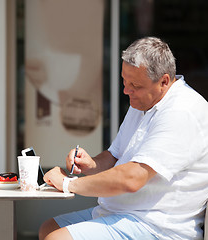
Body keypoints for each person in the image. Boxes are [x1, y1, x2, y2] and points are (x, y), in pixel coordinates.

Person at [39, 37, 208, 240]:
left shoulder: (182, 112)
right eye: (124, 81)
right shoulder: (145, 100)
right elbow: (115, 156)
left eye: (134, 85)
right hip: (125, 214)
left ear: (164, 81)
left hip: (157, 227)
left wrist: (68, 183)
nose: (126, 91)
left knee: (57, 238)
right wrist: (91, 164)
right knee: (48, 228)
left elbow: (132, 178)